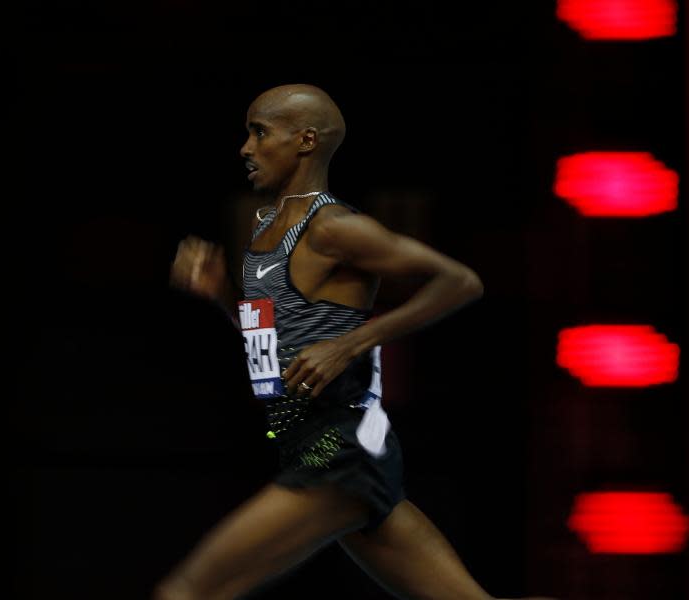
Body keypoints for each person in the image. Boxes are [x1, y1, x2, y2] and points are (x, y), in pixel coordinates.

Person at [158, 84, 552, 600]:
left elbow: (460, 281)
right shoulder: (265, 230)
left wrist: (351, 343)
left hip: (337, 452)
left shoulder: (334, 228)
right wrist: (222, 298)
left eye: (259, 132)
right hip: (314, 447)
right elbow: (272, 345)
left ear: (305, 141)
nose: (245, 148)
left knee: (188, 592)